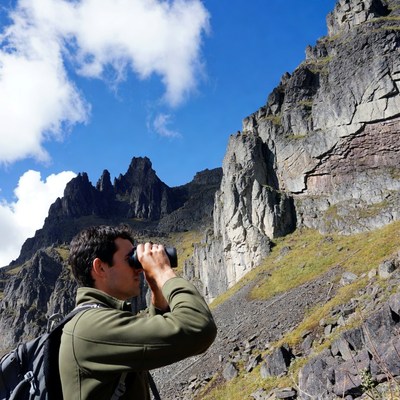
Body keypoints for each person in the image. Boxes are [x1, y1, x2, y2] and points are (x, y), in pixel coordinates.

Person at [59, 224, 217, 399]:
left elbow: (156, 341)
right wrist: (163, 272)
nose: (139, 268)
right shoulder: (90, 327)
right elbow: (199, 329)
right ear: (100, 268)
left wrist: (157, 289)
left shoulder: (97, 320)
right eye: (130, 259)